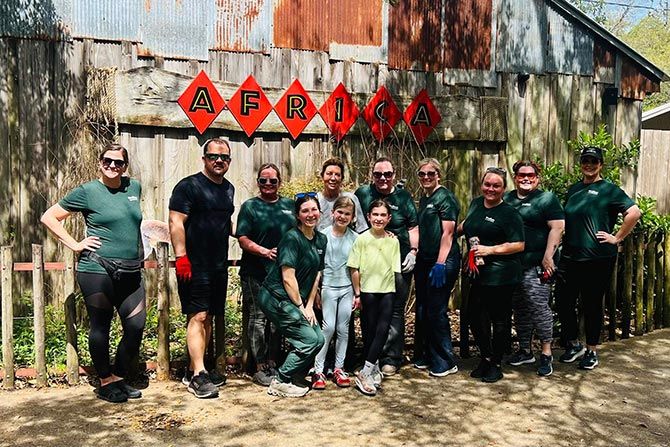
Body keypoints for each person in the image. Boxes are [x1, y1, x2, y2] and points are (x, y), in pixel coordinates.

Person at [41, 143, 145, 403]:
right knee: (101, 326)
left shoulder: (134, 187)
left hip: (130, 271)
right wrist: (75, 244)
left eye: (118, 162)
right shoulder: (88, 191)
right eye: (107, 161)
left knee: (135, 326)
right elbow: (49, 217)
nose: (112, 166)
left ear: (125, 166)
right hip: (97, 269)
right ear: (100, 162)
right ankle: (105, 381)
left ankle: (119, 376)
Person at [556, 146, 640, 370]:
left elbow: (634, 212)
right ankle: (574, 344)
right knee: (563, 301)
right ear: (581, 163)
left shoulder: (609, 190)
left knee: (592, 305)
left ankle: (591, 350)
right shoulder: (574, 189)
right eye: (586, 160)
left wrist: (617, 237)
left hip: (597, 258)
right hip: (570, 257)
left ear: (601, 164)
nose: (589, 165)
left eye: (594, 161)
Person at [169, 138, 235, 399]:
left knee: (208, 317)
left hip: (218, 264)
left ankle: (195, 369)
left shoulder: (228, 189)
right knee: (198, 316)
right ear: (204, 158)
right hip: (194, 265)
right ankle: (198, 375)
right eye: (213, 156)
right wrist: (181, 257)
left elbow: (225, 222)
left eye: (224, 157)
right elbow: (175, 221)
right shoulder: (188, 186)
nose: (219, 161)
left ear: (229, 161)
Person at [258, 193, 326, 398]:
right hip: (276, 298)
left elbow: (317, 274)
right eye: (305, 211)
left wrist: (310, 305)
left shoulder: (321, 239)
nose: (310, 214)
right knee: (309, 340)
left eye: (314, 210)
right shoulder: (291, 238)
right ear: (298, 215)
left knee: (319, 339)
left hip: (299, 301)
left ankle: (292, 375)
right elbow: (288, 277)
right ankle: (280, 380)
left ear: (320, 212)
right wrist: (300, 307)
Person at [459, 167, 525, 383]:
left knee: (499, 319)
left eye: (496, 186)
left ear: (504, 189)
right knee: (474, 316)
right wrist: (448, 232)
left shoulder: (509, 213)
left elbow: (519, 244)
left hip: (502, 274)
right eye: (487, 184)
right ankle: (486, 357)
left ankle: (496, 363)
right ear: (482, 185)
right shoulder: (476, 204)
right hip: (479, 273)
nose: (491, 189)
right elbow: (468, 226)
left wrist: (490, 250)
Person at [355, 157, 418, 376]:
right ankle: (369, 358)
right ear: (372, 175)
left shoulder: (403, 197)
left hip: (398, 263)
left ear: (394, 175)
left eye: (387, 174)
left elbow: (413, 227)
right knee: (369, 313)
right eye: (378, 174)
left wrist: (413, 251)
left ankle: (391, 357)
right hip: (370, 264)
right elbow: (352, 220)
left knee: (395, 311)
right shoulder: (362, 194)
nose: (383, 178)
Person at [504, 160, 565, 377]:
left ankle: (546, 353)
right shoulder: (507, 199)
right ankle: (525, 350)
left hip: (537, 265)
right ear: (515, 177)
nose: (526, 179)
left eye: (530, 175)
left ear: (537, 178)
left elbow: (557, 227)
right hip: (513, 265)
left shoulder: (546, 199)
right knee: (520, 307)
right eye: (522, 175)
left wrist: (548, 256)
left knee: (539, 307)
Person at [236, 163, 295, 386]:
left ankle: (273, 362)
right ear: (258, 182)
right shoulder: (250, 206)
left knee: (278, 319)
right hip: (255, 273)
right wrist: (264, 251)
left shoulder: (289, 205)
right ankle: (260, 366)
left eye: (273, 180)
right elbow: (243, 238)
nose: (268, 184)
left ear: (280, 182)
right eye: (263, 180)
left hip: (282, 274)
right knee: (258, 317)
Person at [348, 199, 401, 395]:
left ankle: (365, 371)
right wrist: (358, 293)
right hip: (368, 292)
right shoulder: (362, 239)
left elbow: (395, 270)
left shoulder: (393, 241)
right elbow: (354, 268)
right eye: (375, 215)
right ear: (368, 217)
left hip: (387, 291)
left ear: (389, 218)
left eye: (383, 215)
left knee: (383, 330)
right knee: (370, 332)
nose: (379, 218)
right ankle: (372, 368)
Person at [413, 158, 460, 377]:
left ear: (438, 175)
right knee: (423, 309)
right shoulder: (425, 198)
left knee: (436, 310)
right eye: (422, 174)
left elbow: (448, 233)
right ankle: (428, 355)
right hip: (425, 259)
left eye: (430, 173)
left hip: (442, 261)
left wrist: (440, 263)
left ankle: (446, 361)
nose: (426, 177)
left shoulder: (445, 198)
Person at [311, 197, 359, 389]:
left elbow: (356, 268)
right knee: (328, 327)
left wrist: (357, 293)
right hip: (328, 288)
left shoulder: (355, 238)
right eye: (339, 212)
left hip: (347, 288)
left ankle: (339, 368)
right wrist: (316, 292)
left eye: (347, 214)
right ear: (332, 213)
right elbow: (317, 268)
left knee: (343, 329)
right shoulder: (322, 236)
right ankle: (318, 370)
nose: (342, 216)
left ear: (352, 217)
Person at [317, 157, 368, 233]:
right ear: (322, 176)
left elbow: (361, 228)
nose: (333, 178)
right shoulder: (316, 200)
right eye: (329, 174)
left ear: (342, 178)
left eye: (337, 175)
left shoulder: (350, 199)